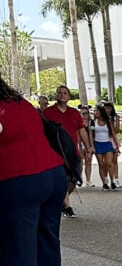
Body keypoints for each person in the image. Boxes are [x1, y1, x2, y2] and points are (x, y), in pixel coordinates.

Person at [0, 74, 68, 266]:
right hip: (53, 175)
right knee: (47, 237)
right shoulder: (20, 102)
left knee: (17, 245)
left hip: (19, 180)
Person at [43, 84, 91, 217]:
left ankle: (60, 201)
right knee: (62, 179)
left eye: (65, 93)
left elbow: (81, 131)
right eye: (59, 93)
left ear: (69, 96)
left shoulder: (74, 113)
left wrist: (88, 148)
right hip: (55, 152)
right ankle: (67, 206)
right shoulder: (47, 112)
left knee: (74, 179)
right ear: (56, 95)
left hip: (72, 152)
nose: (62, 95)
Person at [92, 103, 120, 190]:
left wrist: (116, 146)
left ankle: (112, 181)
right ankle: (104, 182)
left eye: (98, 110)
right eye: (95, 111)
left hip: (107, 143)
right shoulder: (93, 122)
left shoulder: (108, 121)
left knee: (109, 163)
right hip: (97, 144)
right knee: (101, 164)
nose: (96, 112)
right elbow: (90, 135)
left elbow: (113, 134)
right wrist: (91, 146)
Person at [102, 101, 122, 186]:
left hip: (114, 139)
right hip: (105, 139)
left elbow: (116, 130)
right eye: (105, 108)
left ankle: (116, 178)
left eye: (109, 108)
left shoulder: (115, 117)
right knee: (106, 162)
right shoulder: (101, 118)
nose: (107, 110)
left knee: (114, 160)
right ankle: (106, 178)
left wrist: (111, 123)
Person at [78, 104, 94, 186]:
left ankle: (88, 180)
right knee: (80, 162)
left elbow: (91, 135)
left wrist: (91, 146)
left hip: (89, 144)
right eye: (83, 113)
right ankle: (79, 179)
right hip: (80, 144)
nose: (85, 115)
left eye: (86, 113)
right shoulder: (78, 123)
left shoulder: (91, 123)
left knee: (88, 162)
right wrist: (80, 146)